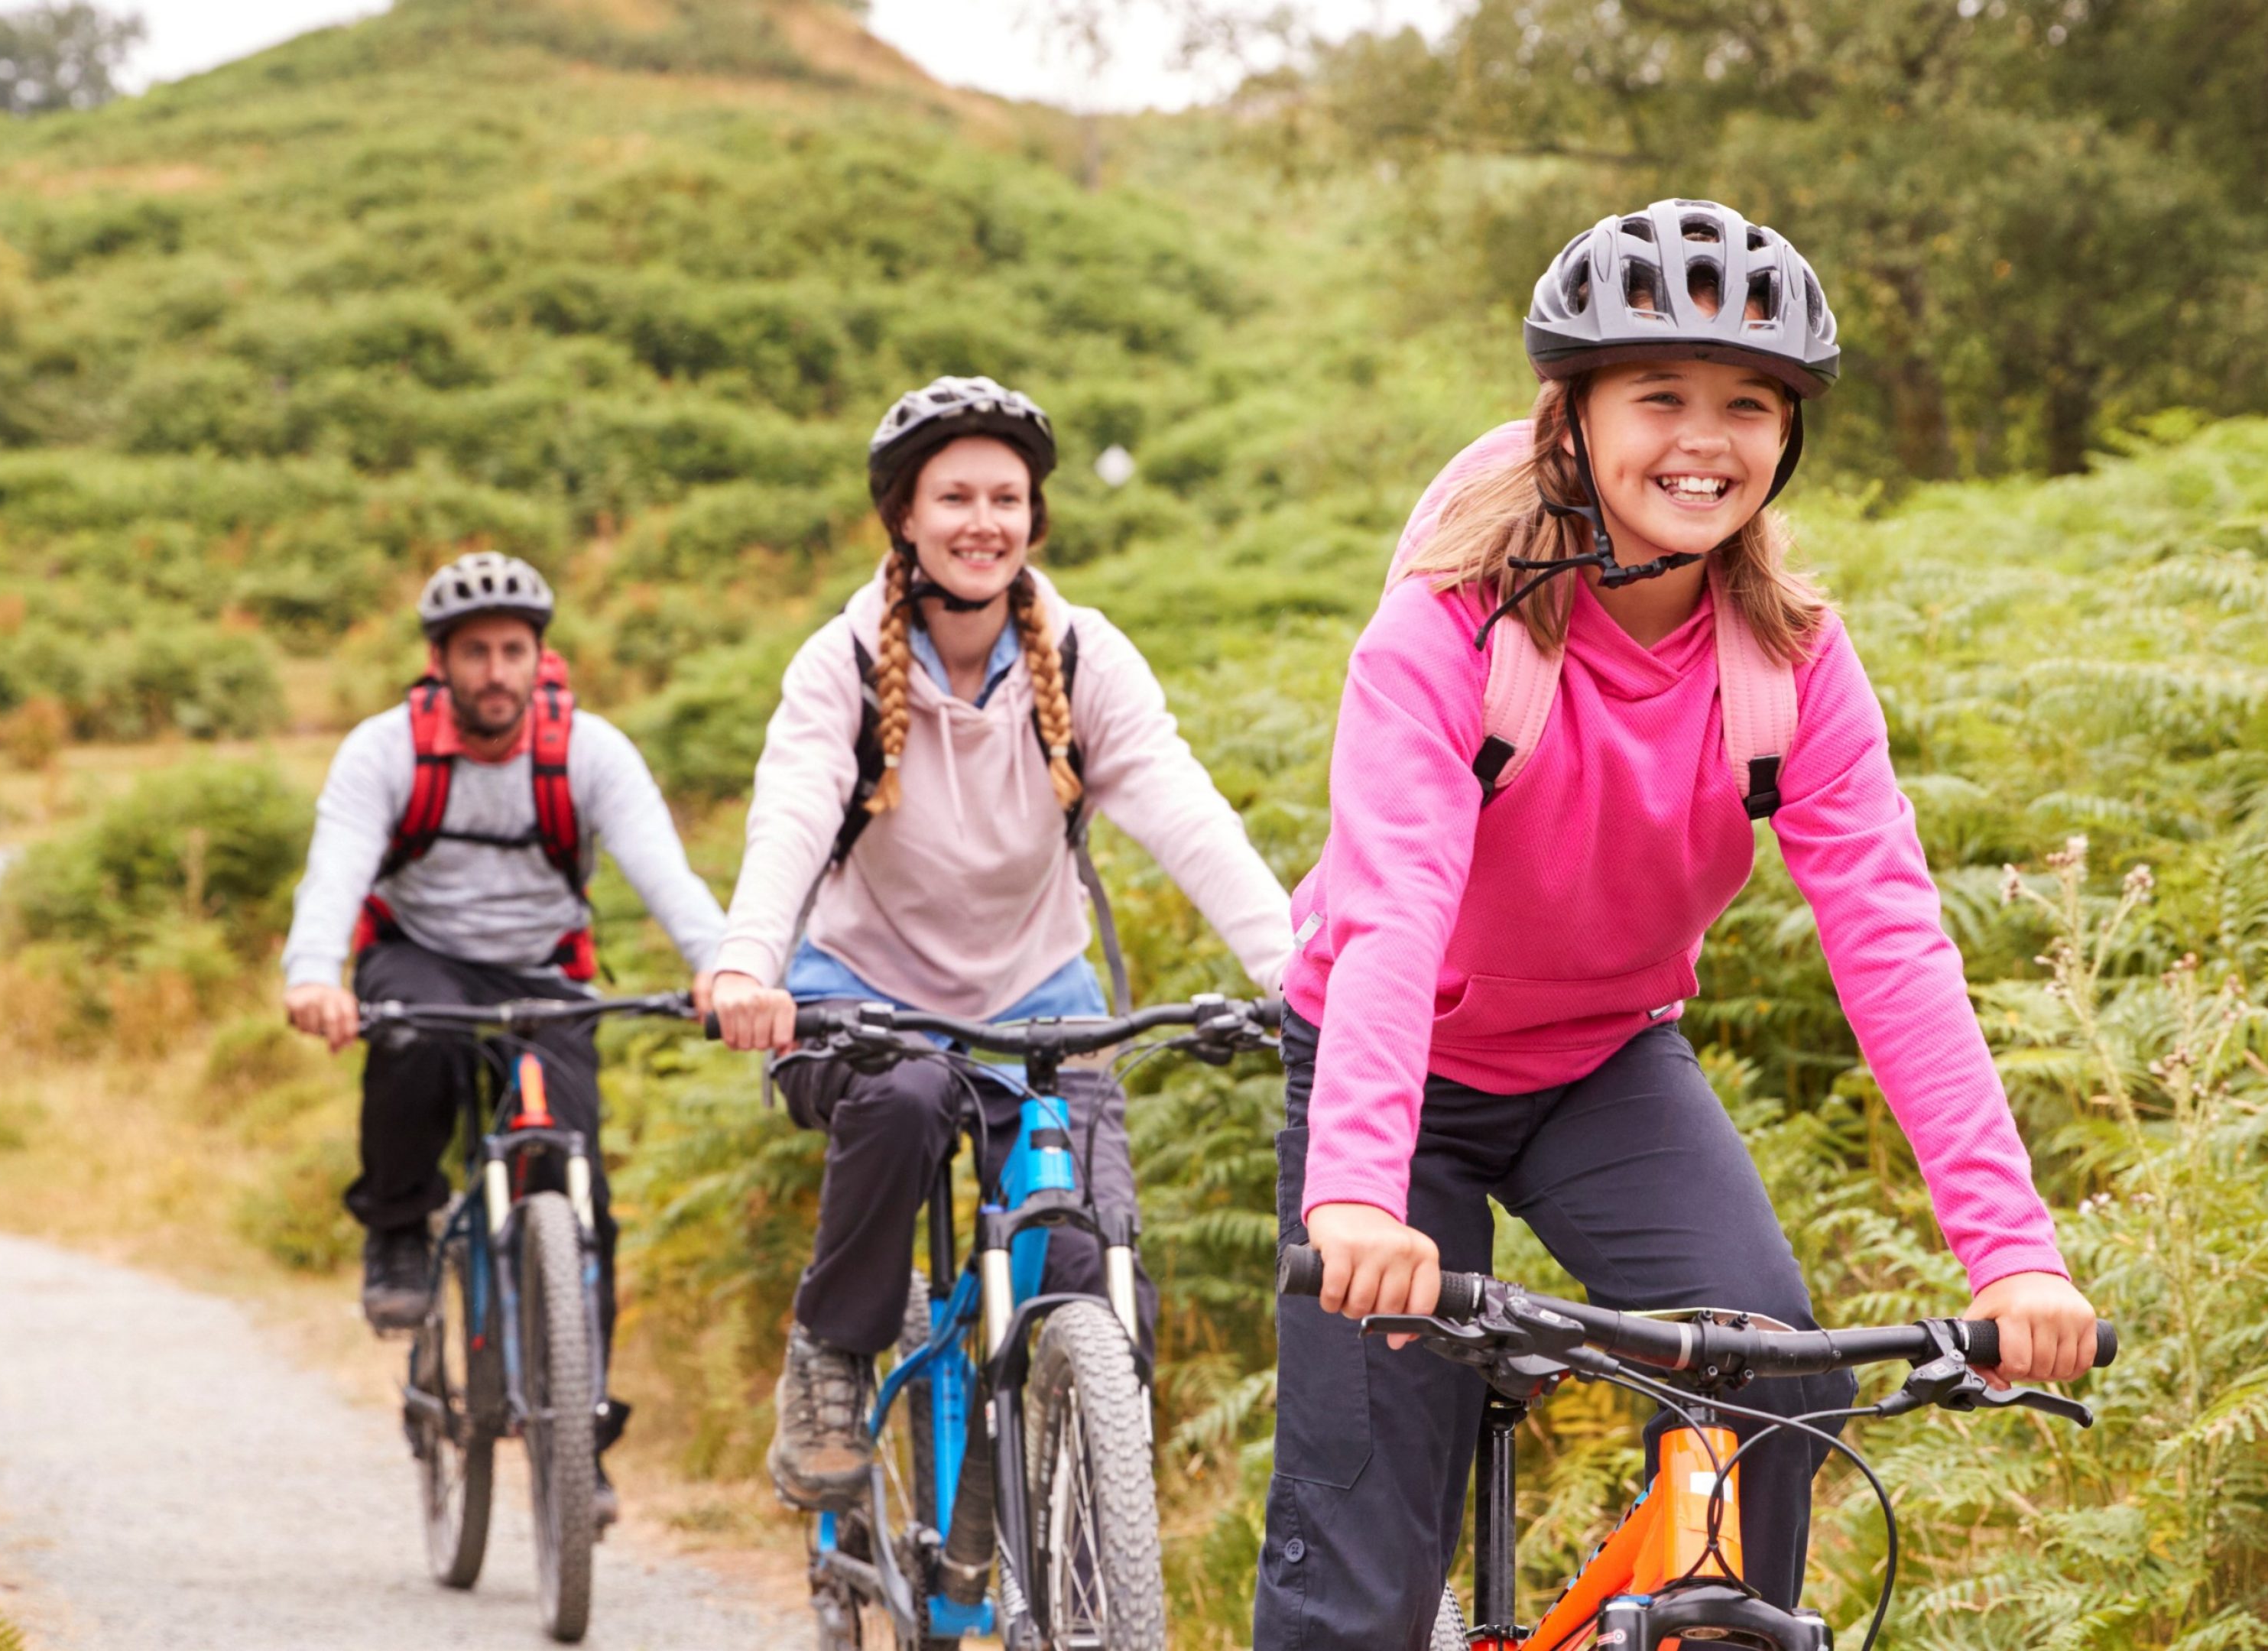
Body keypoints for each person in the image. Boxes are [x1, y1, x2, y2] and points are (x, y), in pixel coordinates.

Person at [1260, 199, 2102, 1649]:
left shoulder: (1790, 663)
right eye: (1660, 395)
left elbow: (1892, 944)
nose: (1704, 437)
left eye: (1750, 404)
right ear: (1572, 418)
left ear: (1790, 434)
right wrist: (1354, 1197)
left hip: (1603, 1063)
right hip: (1393, 1087)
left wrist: (2013, 1254)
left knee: (1772, 1372)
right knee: (1360, 1560)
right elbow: (1394, 915)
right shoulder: (1447, 633)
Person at [707, 375, 1296, 1521]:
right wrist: (743, 963)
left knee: (1092, 1268)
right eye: (955, 497)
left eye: (1007, 498)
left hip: (1038, 994)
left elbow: (1185, 812)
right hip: (860, 989)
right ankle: (831, 1354)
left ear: (1035, 517)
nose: (984, 521)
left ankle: (1046, 1495)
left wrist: (1294, 966)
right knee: (910, 1096)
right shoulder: (838, 664)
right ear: (904, 519)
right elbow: (789, 813)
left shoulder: (1083, 660)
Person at [281, 550, 725, 1526]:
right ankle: (398, 1230)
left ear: (541, 658)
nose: (494, 672)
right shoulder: (384, 750)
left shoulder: (591, 751)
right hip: (421, 957)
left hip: (542, 974)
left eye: (512, 652)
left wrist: (722, 966)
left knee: (581, 1199)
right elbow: (336, 875)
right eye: (474, 653)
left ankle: (580, 1452)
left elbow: (665, 873)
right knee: (412, 1046)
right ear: (439, 662)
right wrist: (314, 977)